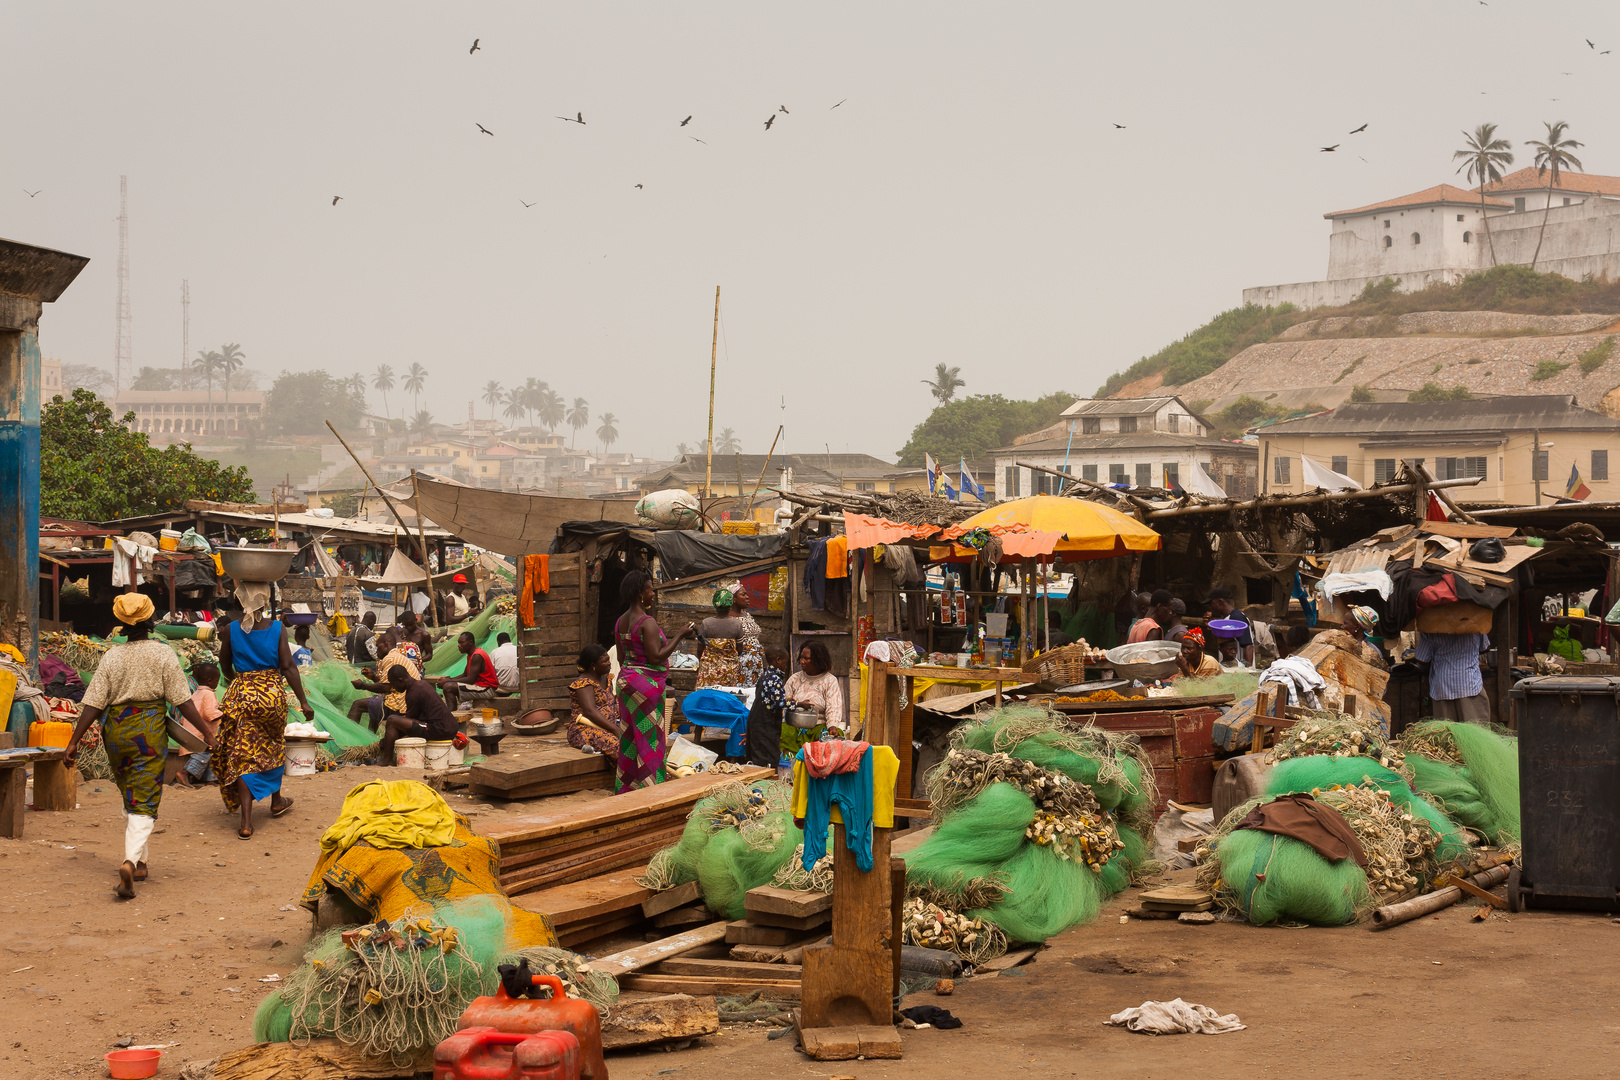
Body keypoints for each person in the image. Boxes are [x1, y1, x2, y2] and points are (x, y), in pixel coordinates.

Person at [63, 593, 212, 898]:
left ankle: (141, 862)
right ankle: (129, 862)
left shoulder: (111, 657)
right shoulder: (163, 655)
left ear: (121, 622)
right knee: (144, 798)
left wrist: (73, 742)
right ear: (150, 620)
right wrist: (207, 733)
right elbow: (182, 701)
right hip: (148, 733)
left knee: (131, 792)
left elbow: (92, 704)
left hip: (115, 734)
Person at [217, 606, 312, 839]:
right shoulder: (277, 628)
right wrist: (303, 701)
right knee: (274, 744)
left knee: (243, 753)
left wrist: (239, 682)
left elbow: (224, 663)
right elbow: (288, 666)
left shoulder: (231, 630)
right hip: (271, 696)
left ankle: (246, 823)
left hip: (243, 696)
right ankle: (276, 800)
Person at [613, 569, 696, 791]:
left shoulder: (620, 622)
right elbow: (656, 656)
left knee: (629, 737)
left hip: (625, 683)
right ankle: (651, 789)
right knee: (650, 739)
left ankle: (627, 789)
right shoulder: (647, 623)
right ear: (641, 593)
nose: (653, 594)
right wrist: (680, 635)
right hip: (646, 687)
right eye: (651, 590)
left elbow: (622, 658)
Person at [375, 663, 459, 762]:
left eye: (393, 684)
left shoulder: (413, 692)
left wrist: (387, 741)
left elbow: (410, 723)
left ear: (400, 680)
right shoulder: (421, 684)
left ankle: (386, 760)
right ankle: (387, 756)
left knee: (392, 720)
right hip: (449, 727)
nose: (394, 688)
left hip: (439, 729)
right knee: (396, 721)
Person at [1415, 630, 1491, 723]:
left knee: (1446, 734)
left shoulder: (1429, 625)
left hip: (1443, 685)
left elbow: (1423, 659)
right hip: (1469, 684)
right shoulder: (1476, 620)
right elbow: (1485, 647)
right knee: (1475, 732)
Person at [567, 644, 624, 757]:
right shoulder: (584, 684)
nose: (609, 663)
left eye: (608, 659)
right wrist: (615, 729)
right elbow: (590, 712)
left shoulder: (607, 678)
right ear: (593, 665)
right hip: (584, 729)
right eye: (605, 661)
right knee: (619, 746)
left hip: (607, 727)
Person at [176, 661, 224, 788]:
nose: (218, 683)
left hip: (189, 733)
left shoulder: (196, 693)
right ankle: (184, 773)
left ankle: (210, 780)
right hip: (199, 735)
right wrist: (224, 714)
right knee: (204, 754)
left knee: (213, 753)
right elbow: (210, 714)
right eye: (217, 680)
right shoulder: (209, 694)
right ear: (209, 681)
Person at [785, 640, 845, 736]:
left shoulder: (830, 681)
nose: (801, 661)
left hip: (818, 727)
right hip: (794, 726)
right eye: (801, 657)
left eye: (806, 658)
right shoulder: (794, 679)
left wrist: (832, 727)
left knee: (836, 738)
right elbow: (783, 702)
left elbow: (833, 707)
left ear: (818, 660)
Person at [745, 644, 791, 768]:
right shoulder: (774, 678)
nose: (785, 666)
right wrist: (798, 704)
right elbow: (779, 703)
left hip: (757, 721)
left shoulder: (765, 676)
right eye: (785, 662)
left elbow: (769, 699)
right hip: (765, 724)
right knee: (767, 758)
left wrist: (785, 699)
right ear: (778, 660)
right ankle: (765, 784)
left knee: (758, 755)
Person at [436, 631, 500, 711]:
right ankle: (453, 715)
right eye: (458, 643)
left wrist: (448, 681)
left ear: (470, 642)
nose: (459, 645)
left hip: (487, 689)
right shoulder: (470, 655)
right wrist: (448, 680)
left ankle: (451, 717)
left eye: (462, 643)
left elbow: (470, 679)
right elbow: (465, 674)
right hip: (481, 687)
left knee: (448, 687)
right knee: (448, 685)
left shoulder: (477, 655)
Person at [696, 587, 746, 688]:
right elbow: (739, 650)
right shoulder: (737, 624)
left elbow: (700, 649)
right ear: (731, 604)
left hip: (708, 671)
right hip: (728, 671)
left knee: (707, 698)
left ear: (715, 604)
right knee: (725, 698)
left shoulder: (706, 623)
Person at [1206, 588, 1255, 666]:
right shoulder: (1227, 618)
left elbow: (1248, 645)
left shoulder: (1236, 617)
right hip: (1230, 668)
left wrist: (1247, 670)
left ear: (1220, 602)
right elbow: (1221, 642)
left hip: (1239, 669)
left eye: (1211, 603)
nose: (1210, 607)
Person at [731, 586, 767, 687]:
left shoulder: (747, 615)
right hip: (741, 663)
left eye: (746, 594)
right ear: (733, 599)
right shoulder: (729, 618)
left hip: (755, 663)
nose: (747, 597)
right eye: (743, 595)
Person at [1344, 605, 1390, 670]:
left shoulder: (1372, 652)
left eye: (1345, 623)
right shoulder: (1344, 644)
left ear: (1357, 627)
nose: (1342, 627)